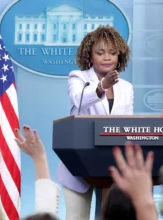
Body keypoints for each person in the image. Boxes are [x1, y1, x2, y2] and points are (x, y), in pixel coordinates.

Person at [56, 26, 133, 220]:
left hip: (111, 166)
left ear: (119, 57)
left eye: (113, 53)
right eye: (100, 53)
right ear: (90, 57)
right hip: (77, 167)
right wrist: (102, 87)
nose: (107, 57)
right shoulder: (78, 78)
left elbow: (128, 125)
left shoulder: (126, 88)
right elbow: (78, 101)